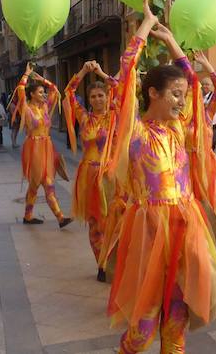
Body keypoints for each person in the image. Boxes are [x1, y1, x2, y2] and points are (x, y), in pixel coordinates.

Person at [103, 0, 216, 352]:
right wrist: (145, 28)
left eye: (181, 96)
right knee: (142, 328)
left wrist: (174, 44)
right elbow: (128, 70)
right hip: (148, 230)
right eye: (173, 95)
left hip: (185, 225)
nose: (181, 101)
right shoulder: (135, 131)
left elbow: (193, 83)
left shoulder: (178, 129)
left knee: (177, 324)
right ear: (152, 94)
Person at [64, 60, 118, 281]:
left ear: (107, 97)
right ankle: (101, 265)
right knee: (95, 223)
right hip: (89, 175)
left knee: (113, 222)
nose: (97, 99)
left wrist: (102, 74)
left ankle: (115, 261)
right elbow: (68, 92)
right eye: (93, 96)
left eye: (101, 95)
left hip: (111, 175)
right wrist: (84, 71)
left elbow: (120, 88)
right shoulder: (84, 117)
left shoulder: (114, 115)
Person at [14, 64, 73, 228]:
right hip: (33, 148)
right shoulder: (26, 109)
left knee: (35, 184)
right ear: (32, 95)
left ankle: (28, 215)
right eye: (40, 92)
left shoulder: (45, 107)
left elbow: (55, 90)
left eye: (43, 92)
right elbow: (20, 90)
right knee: (45, 182)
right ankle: (60, 217)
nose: (44, 94)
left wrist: (44, 80)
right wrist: (26, 75)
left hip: (46, 147)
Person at [187, 51, 216, 215]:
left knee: (208, 207)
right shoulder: (179, 119)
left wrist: (207, 65)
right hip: (185, 167)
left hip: (206, 166)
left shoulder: (207, 113)